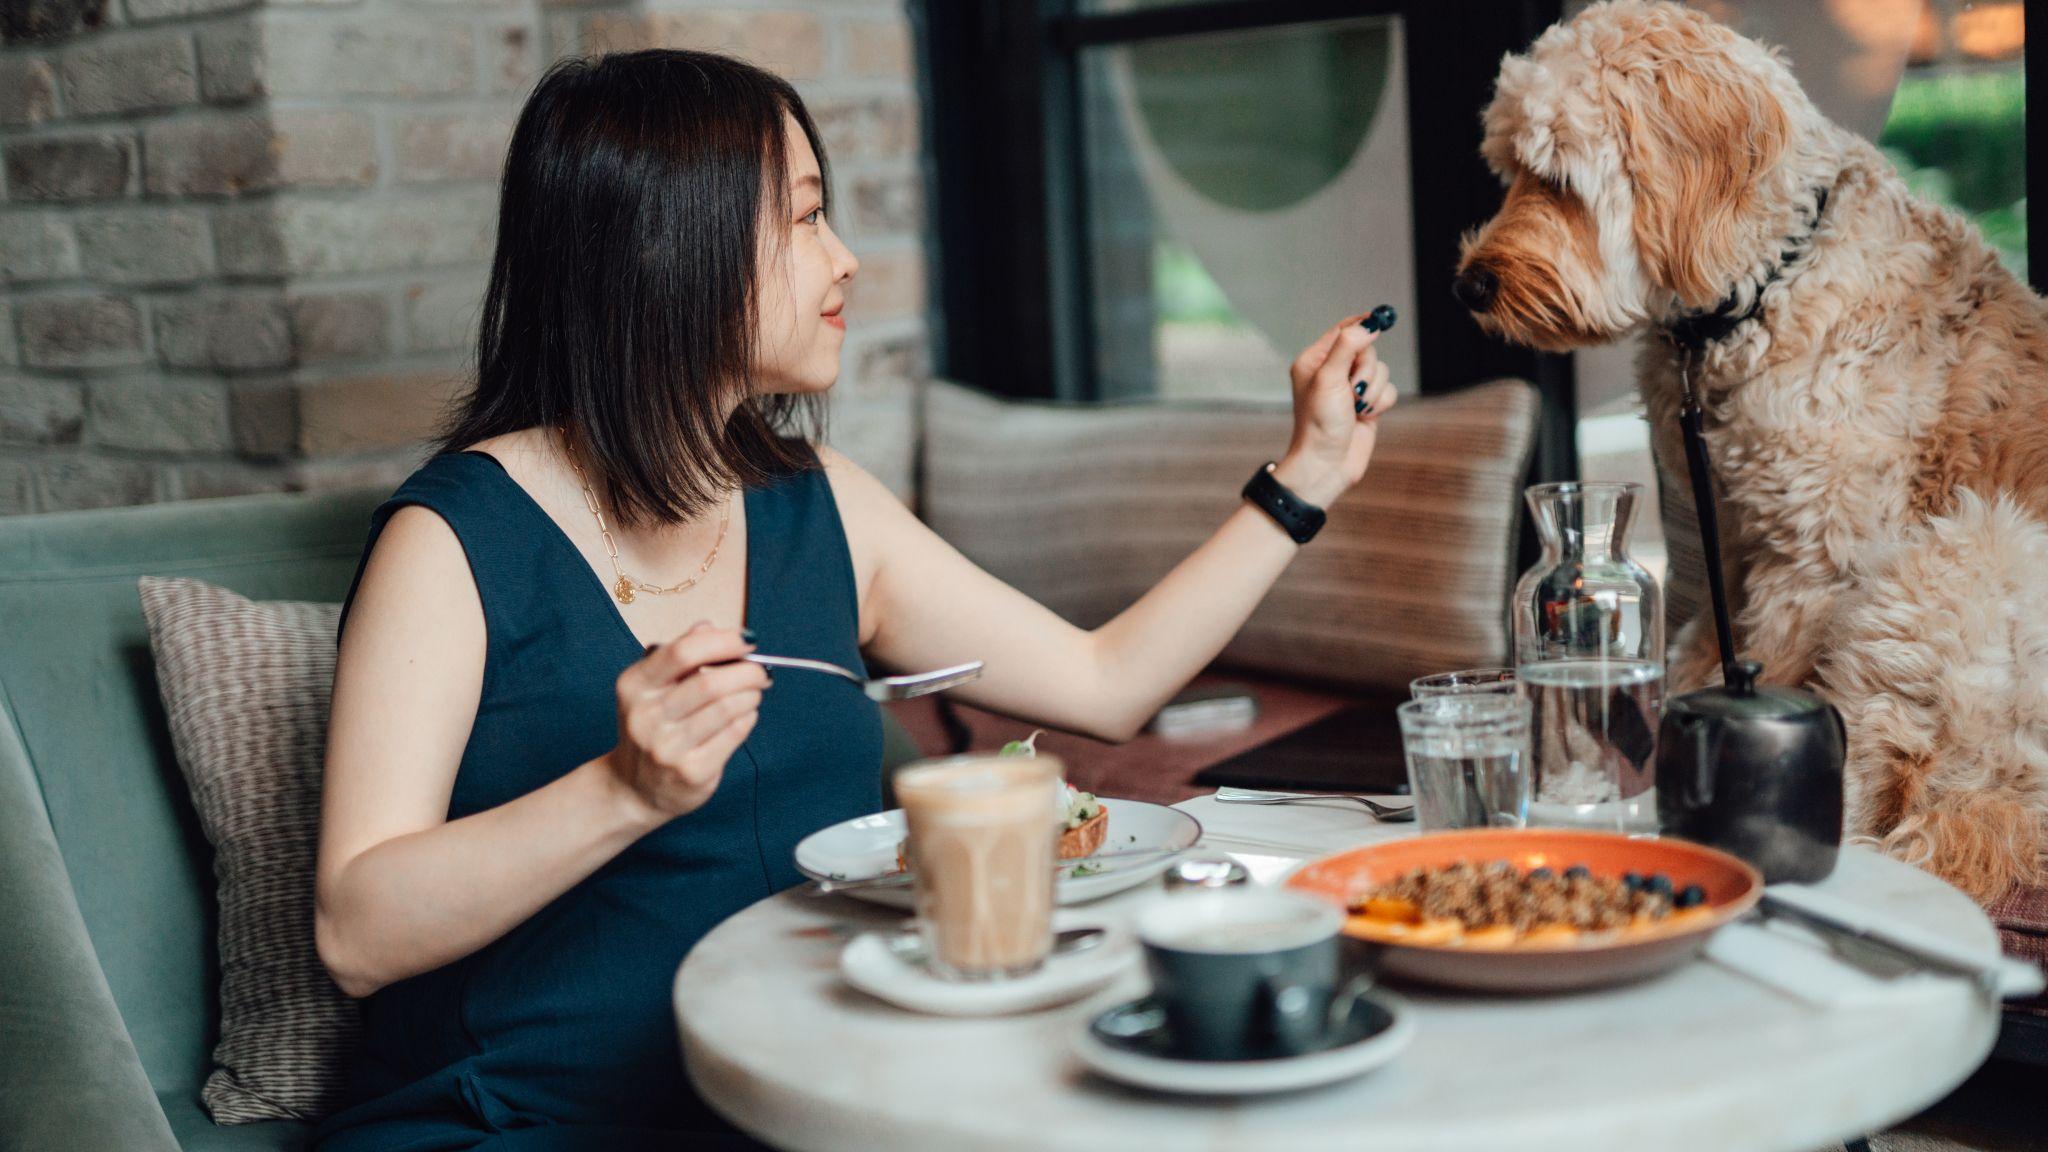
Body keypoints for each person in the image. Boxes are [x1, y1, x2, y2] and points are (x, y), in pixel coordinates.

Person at [312, 49, 1397, 1151]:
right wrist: (624, 790)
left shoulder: (816, 505)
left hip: (794, 1099)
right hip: (516, 1123)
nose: (844, 260)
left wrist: (1301, 478)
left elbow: (1105, 682)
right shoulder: (451, 539)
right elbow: (355, 930)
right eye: (805, 219)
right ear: (664, 242)